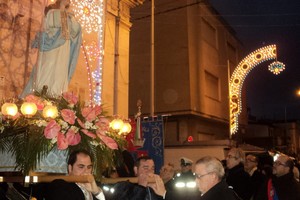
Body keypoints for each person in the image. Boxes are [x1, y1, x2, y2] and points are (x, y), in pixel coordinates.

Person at [21, 0, 82, 97]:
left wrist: (71, 17)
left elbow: (76, 30)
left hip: (63, 48)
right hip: (51, 47)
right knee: (48, 67)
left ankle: (56, 94)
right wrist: (64, 15)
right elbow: (49, 25)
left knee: (60, 71)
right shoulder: (52, 12)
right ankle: (43, 93)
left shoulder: (69, 16)